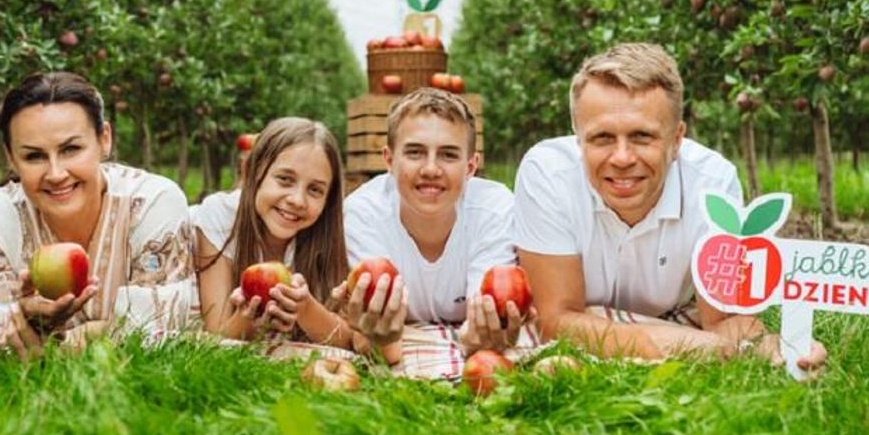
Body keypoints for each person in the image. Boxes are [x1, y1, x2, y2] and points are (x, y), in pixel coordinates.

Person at [514, 42, 827, 371]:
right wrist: (664, 342)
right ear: (578, 139)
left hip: (660, 317)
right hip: (608, 320)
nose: (621, 158)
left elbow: (721, 320)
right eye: (602, 138)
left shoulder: (712, 184)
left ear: (677, 140)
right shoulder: (547, 173)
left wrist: (778, 346)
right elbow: (556, 319)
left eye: (641, 137)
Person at [0, 71, 199, 358]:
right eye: (34, 156)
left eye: (71, 149)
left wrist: (53, 343)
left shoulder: (152, 203)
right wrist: (20, 313)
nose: (56, 174)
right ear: (11, 157)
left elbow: (158, 324)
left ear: (104, 140)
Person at [343, 87, 537, 380]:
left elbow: (482, 323)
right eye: (415, 153)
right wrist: (375, 339)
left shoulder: (495, 209)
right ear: (389, 161)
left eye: (447, 155)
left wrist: (481, 336)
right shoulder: (363, 213)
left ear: (471, 166)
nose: (431, 169)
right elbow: (375, 339)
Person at [192, 117, 398, 362]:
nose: (297, 200)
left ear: (328, 200)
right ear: (251, 174)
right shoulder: (220, 218)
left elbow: (350, 340)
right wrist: (248, 318)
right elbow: (217, 334)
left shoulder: (327, 232)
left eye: (315, 190)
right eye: (285, 180)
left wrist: (306, 309)